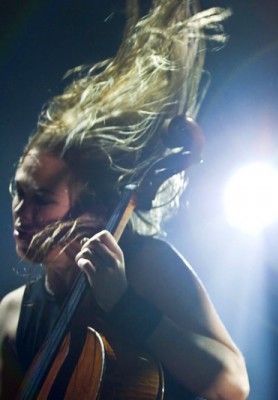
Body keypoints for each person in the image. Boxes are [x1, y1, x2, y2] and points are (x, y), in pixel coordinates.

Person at [0, 1, 249, 399]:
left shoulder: (144, 265)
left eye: (42, 200)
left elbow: (232, 384)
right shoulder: (12, 314)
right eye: (19, 192)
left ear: (90, 206)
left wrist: (123, 303)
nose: (20, 212)